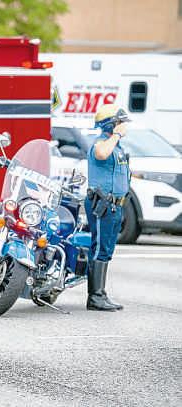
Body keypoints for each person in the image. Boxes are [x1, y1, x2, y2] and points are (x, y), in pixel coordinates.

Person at [85, 103, 131, 311]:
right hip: (102, 204)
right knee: (100, 249)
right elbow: (101, 154)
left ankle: (100, 294)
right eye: (121, 122)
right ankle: (95, 297)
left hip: (115, 206)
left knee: (106, 249)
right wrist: (117, 135)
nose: (124, 126)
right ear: (111, 124)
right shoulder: (101, 143)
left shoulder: (117, 147)